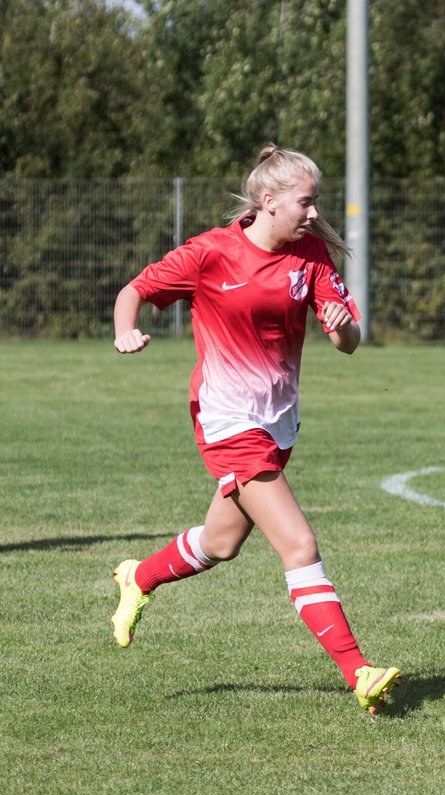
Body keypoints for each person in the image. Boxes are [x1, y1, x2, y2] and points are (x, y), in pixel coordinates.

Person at [110, 145, 401, 715]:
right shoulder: (211, 253)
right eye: (306, 202)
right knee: (299, 543)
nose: (314, 213)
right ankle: (358, 671)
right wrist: (126, 330)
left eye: (315, 202)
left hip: (277, 423)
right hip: (226, 421)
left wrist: (342, 328)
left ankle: (137, 577)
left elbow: (348, 344)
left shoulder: (312, 255)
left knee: (221, 542)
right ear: (269, 202)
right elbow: (135, 290)